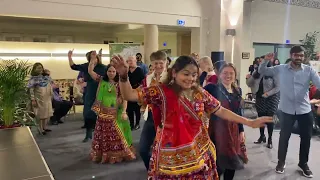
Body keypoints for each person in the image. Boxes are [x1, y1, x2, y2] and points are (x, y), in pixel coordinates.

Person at [112, 54, 272, 179]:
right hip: (171, 155)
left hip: (198, 152)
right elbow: (129, 94)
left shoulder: (199, 92)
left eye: (194, 75)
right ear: (174, 73)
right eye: (186, 74)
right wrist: (124, 77)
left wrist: (248, 122)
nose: (190, 78)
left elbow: (220, 110)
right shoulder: (160, 91)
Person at [258, 46, 320, 178]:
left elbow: (319, 84)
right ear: (291, 55)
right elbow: (263, 71)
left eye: (301, 56)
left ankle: (303, 163)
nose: (299, 58)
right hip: (286, 110)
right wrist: (265, 60)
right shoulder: (280, 69)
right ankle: (281, 162)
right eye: (296, 55)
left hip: (304, 110)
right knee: (284, 137)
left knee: (306, 138)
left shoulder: (309, 70)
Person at [88, 57, 136, 164]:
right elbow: (91, 72)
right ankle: (104, 155)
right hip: (102, 114)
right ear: (106, 72)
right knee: (103, 134)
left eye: (114, 71)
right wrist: (92, 62)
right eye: (109, 71)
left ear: (117, 72)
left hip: (115, 113)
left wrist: (124, 112)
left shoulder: (120, 83)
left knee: (117, 135)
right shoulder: (102, 81)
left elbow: (125, 98)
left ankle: (117, 155)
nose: (111, 73)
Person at [205, 63, 247, 180]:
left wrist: (241, 130)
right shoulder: (211, 88)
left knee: (231, 162)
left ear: (235, 75)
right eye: (225, 73)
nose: (228, 76)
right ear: (219, 75)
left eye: (231, 73)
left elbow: (238, 112)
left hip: (232, 130)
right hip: (216, 130)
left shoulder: (237, 90)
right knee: (217, 162)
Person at [68, 49, 107, 142]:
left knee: (103, 113)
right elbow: (73, 66)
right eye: (92, 57)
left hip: (102, 91)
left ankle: (103, 135)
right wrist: (69, 57)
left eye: (95, 57)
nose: (94, 59)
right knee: (88, 112)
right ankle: (88, 134)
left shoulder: (103, 67)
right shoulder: (86, 66)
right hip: (90, 91)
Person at [139, 50, 168, 170]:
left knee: (166, 151)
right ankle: (151, 171)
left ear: (166, 63)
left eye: (161, 63)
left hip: (167, 118)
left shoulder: (171, 77)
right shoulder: (148, 78)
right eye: (155, 63)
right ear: (151, 64)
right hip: (151, 116)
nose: (158, 66)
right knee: (143, 149)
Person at [246, 61, 280, 149]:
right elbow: (249, 84)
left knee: (270, 118)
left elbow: (278, 87)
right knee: (260, 118)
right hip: (260, 97)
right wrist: (248, 78)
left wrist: (268, 94)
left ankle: (270, 139)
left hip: (272, 97)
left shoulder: (274, 73)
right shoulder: (256, 73)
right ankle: (262, 136)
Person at [28, 63, 53, 135]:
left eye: (41, 68)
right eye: (38, 68)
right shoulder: (33, 79)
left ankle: (44, 127)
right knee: (40, 114)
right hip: (39, 98)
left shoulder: (45, 77)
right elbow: (31, 90)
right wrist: (33, 99)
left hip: (46, 97)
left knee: (46, 113)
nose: (40, 69)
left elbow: (50, 83)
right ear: (34, 69)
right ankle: (40, 129)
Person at [127, 55, 145, 130]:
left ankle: (137, 123)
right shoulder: (127, 70)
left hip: (137, 91)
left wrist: (138, 88)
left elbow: (143, 81)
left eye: (131, 60)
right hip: (128, 91)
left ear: (135, 61)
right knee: (129, 109)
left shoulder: (139, 70)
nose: (130, 62)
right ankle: (131, 124)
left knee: (137, 109)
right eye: (128, 61)